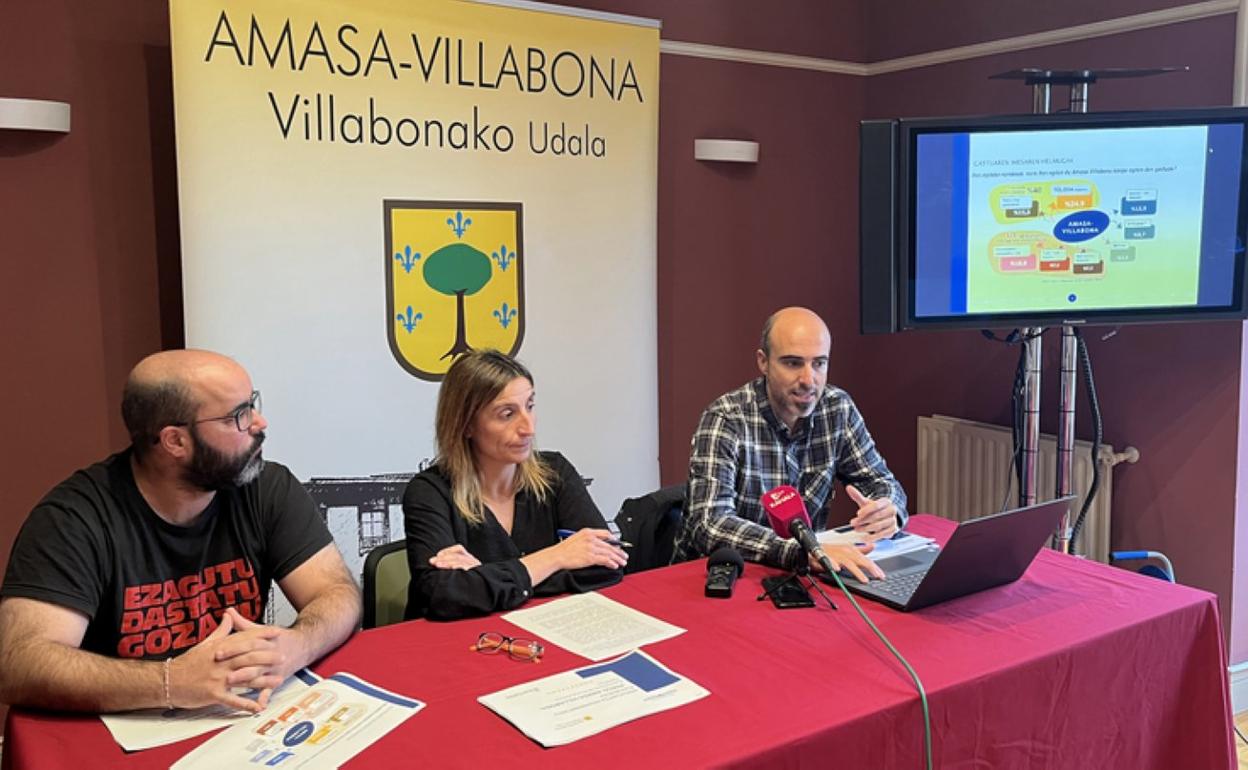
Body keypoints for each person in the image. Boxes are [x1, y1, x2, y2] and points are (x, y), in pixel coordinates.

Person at [0, 350, 361, 714]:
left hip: (239, 716)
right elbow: (19, 662)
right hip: (122, 727)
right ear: (175, 442)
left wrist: (297, 645)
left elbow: (337, 594)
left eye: (252, 404)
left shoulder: (266, 487)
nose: (259, 423)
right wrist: (172, 682)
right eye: (238, 415)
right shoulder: (74, 519)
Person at [674, 307, 908, 581]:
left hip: (801, 577)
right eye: (793, 363)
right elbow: (710, 524)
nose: (809, 380)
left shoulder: (837, 408)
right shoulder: (726, 419)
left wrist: (888, 508)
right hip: (724, 580)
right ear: (764, 362)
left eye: (819, 363)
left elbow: (881, 481)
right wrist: (800, 551)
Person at [404, 350, 626, 621]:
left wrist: (486, 576)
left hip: (548, 632)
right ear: (466, 425)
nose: (528, 428)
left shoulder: (555, 472)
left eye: (530, 406)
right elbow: (443, 595)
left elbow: (608, 564)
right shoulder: (429, 492)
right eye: (507, 414)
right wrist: (557, 557)